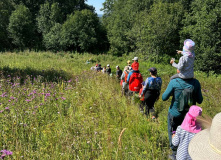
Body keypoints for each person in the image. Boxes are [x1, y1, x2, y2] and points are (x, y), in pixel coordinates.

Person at [162, 77, 203, 160]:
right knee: (190, 134)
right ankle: (188, 153)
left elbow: (164, 97)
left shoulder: (174, 82)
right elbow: (200, 100)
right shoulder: (195, 82)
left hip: (175, 113)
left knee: (173, 131)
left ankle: (175, 153)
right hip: (190, 115)